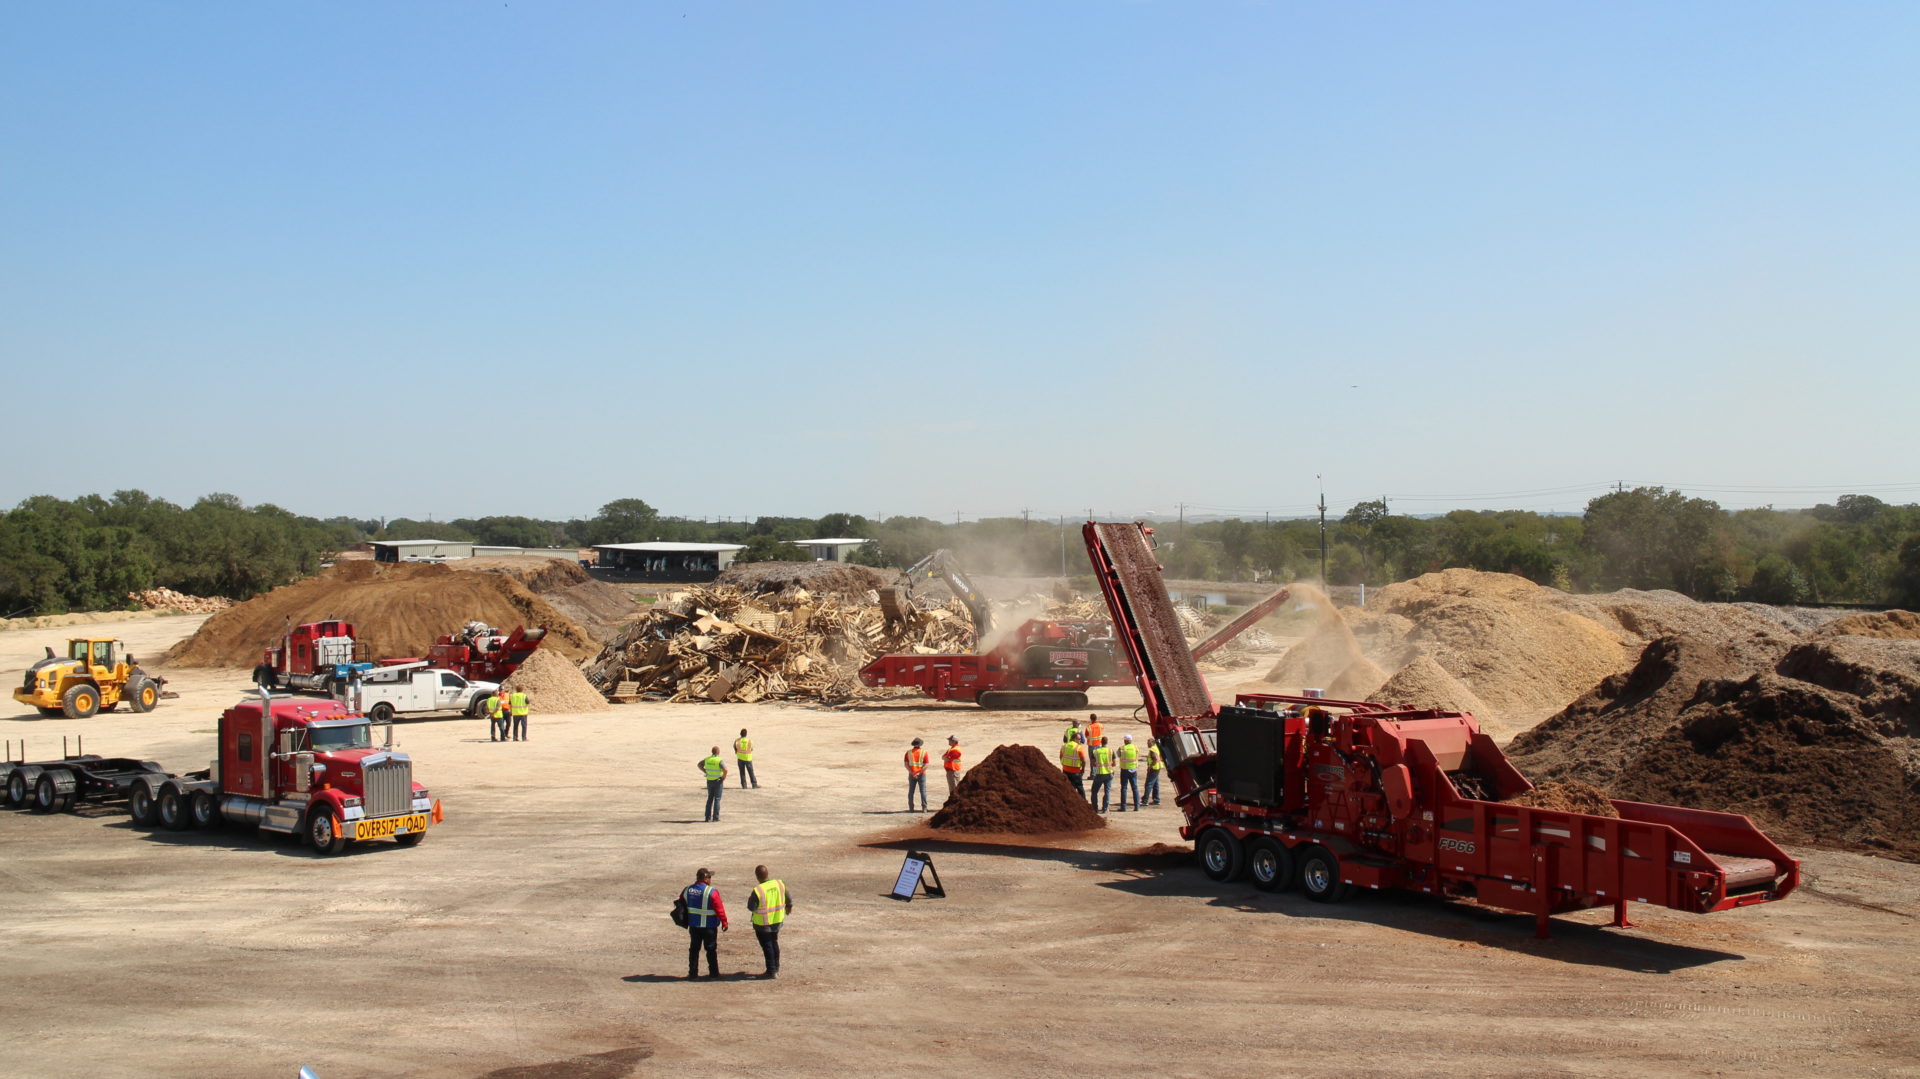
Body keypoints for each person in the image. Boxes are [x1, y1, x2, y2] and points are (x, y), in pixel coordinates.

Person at [747, 864, 793, 980]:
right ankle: (776, 968)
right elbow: (788, 898)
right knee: (774, 942)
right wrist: (788, 907)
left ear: (757, 877)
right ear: (767, 874)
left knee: (767, 945)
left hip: (763, 923)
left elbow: (751, 907)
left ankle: (771, 971)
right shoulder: (779, 884)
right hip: (777, 920)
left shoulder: (758, 890)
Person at [682, 867, 728, 979]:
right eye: (710, 877)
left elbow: (681, 903)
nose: (711, 880)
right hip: (709, 926)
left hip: (694, 926)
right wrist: (724, 922)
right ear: (706, 879)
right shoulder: (711, 891)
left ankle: (693, 974)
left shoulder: (687, 890)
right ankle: (714, 974)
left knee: (694, 949)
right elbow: (719, 908)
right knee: (711, 949)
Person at [700, 747, 729, 822]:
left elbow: (699, 765)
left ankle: (707, 817)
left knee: (710, 799)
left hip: (709, 780)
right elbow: (725, 769)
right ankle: (715, 817)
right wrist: (723, 777)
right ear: (718, 752)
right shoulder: (719, 760)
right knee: (717, 799)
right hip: (718, 781)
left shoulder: (707, 759)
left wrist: (706, 771)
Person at [1088, 736, 1114, 812]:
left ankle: (1094, 808)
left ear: (1101, 742)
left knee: (1094, 791)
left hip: (1099, 773)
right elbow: (1114, 763)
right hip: (1109, 773)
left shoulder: (1096, 751)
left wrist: (1098, 764)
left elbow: (1092, 763)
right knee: (1107, 791)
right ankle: (1105, 808)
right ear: (1107, 742)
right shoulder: (1110, 751)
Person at [1116, 733, 1141, 811]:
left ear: (1125, 741)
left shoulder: (1121, 748)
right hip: (1133, 770)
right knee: (1135, 788)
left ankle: (1123, 807)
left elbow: (1118, 755)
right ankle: (1137, 806)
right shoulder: (1135, 748)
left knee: (1124, 788)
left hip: (1124, 770)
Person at [904, 738, 930, 811]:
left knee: (911, 791)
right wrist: (919, 772)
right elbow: (926, 764)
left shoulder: (908, 753)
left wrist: (912, 772)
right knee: (923, 791)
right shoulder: (924, 752)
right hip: (922, 774)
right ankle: (924, 808)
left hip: (912, 774)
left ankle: (911, 808)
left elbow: (906, 764)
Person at [1144, 739, 1164, 806]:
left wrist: (1150, 766)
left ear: (1152, 743)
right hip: (1158, 767)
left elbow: (1155, 759)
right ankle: (1156, 799)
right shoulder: (1156, 748)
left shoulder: (1152, 749)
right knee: (1155, 784)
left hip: (1153, 768)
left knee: (1148, 784)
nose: (1147, 744)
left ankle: (1145, 800)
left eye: (1148, 743)